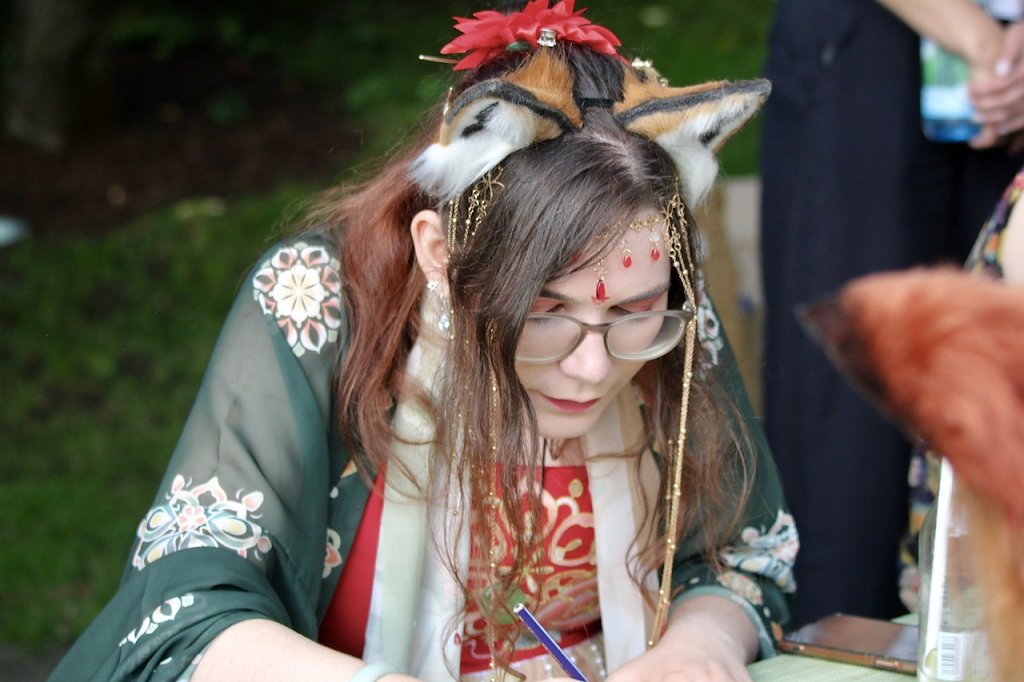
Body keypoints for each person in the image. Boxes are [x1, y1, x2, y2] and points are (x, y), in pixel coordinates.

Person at [51, 2, 797, 680]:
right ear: (440, 253)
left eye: (634, 312)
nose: (594, 365)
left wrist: (701, 646)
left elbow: (742, 556)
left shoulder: (658, 305)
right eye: (545, 312)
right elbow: (184, 610)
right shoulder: (318, 301)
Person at [759, 0, 1024, 629]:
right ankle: (831, 644)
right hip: (870, 44)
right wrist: (984, 40)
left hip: (1007, 73)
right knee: (847, 430)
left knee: (993, 401)